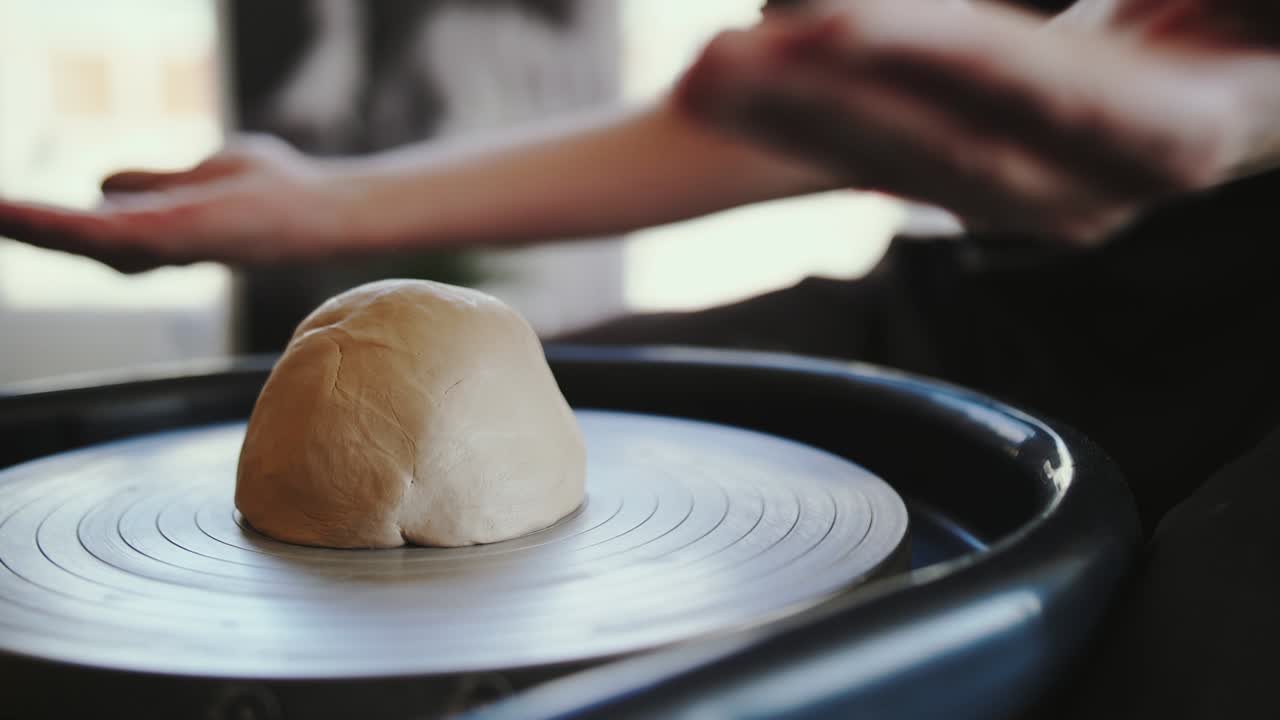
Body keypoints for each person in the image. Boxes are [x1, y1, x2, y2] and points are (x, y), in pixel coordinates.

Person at [1, 0, 1277, 717]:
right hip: (989, 300)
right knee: (554, 381)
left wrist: (1245, 109)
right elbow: (807, 119)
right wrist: (326, 206)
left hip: (1246, 380)